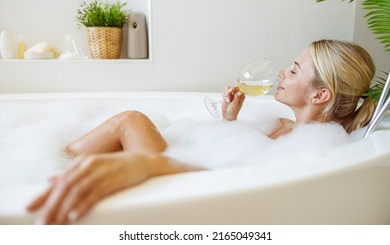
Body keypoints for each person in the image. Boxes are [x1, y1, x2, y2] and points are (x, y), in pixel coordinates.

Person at [27, 39, 376, 224]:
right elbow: (238, 161)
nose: (284, 72)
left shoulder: (315, 153)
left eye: (295, 70)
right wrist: (229, 122)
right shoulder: (284, 127)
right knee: (129, 121)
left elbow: (242, 189)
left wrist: (150, 164)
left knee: (130, 120)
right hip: (194, 173)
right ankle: (50, 170)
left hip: (189, 186)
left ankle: (42, 175)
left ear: (320, 95)